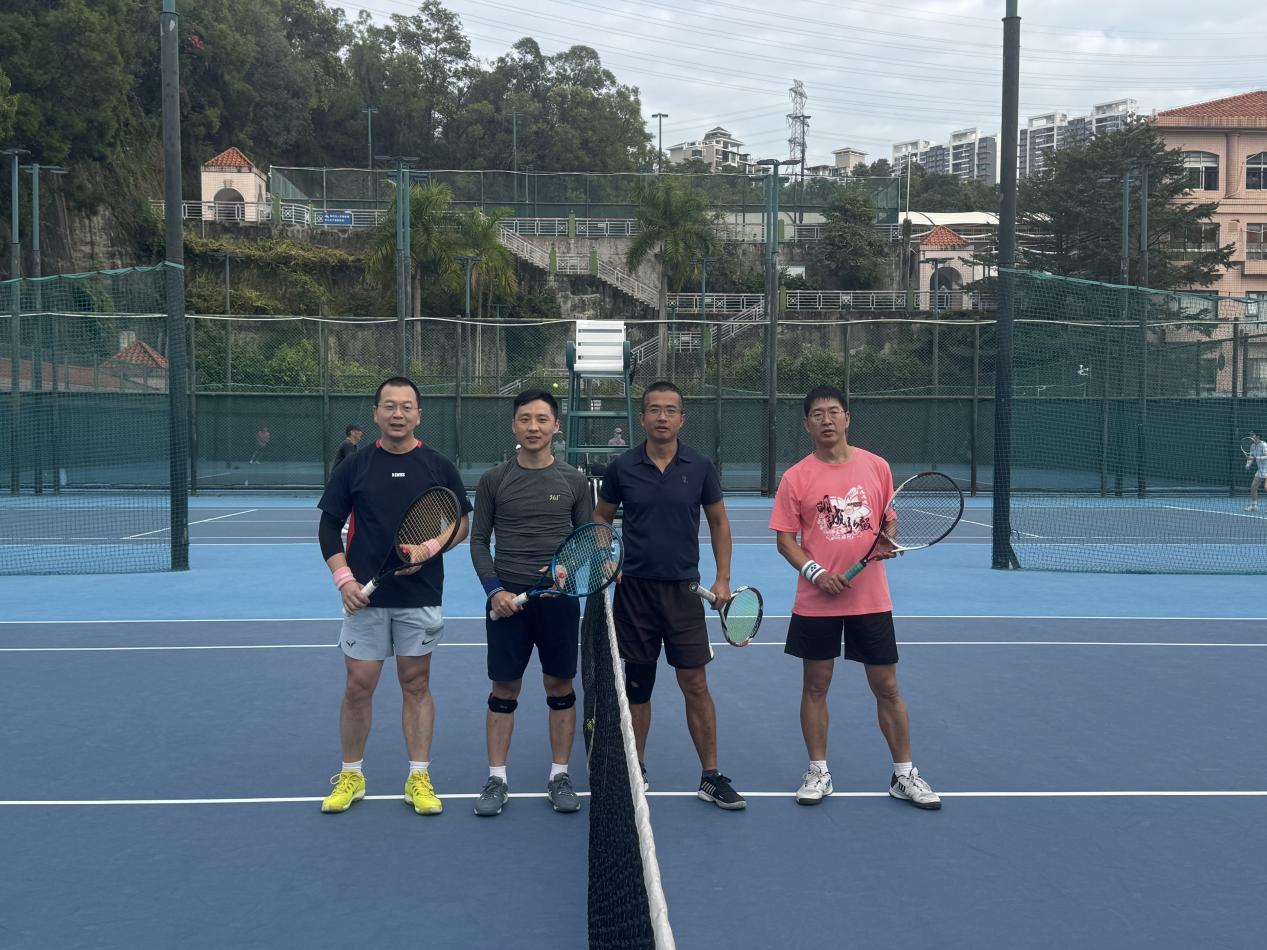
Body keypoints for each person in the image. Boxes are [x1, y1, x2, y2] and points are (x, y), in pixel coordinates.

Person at [770, 385, 940, 810]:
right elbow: (785, 540)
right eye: (817, 414)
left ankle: (904, 775)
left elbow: (888, 522)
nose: (826, 420)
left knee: (887, 686)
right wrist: (816, 573)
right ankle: (818, 771)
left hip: (871, 600)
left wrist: (888, 540)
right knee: (816, 685)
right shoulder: (796, 477)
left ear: (847, 418)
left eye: (834, 412)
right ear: (807, 424)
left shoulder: (877, 467)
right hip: (816, 602)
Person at [316, 377, 471, 816]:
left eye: (406, 406)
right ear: (376, 413)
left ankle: (418, 776)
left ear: (419, 414)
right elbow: (328, 527)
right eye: (389, 406)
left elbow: (461, 523)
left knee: (416, 684)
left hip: (420, 595)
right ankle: (351, 775)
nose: (397, 413)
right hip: (366, 600)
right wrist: (345, 581)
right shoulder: (355, 466)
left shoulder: (438, 466)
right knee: (357, 686)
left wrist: (431, 547)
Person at [594, 380, 745, 810]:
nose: (662, 417)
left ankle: (711, 777)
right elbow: (601, 518)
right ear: (642, 418)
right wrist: (606, 557)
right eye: (655, 410)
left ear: (682, 419)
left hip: (684, 594)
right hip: (634, 594)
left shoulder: (700, 467)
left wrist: (723, 579)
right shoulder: (622, 467)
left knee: (695, 684)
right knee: (638, 686)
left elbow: (719, 522)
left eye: (671, 410)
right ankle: (635, 770)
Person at [469, 389, 593, 816]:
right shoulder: (493, 480)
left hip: (558, 603)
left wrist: (567, 566)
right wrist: (495, 591)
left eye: (542, 419)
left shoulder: (575, 481)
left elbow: (587, 540)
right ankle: (496, 779)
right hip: (507, 604)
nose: (533, 427)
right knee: (504, 689)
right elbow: (479, 541)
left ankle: (559, 775)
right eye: (525, 419)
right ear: (514, 425)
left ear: (556, 426)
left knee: (560, 687)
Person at [1246, 432, 1267, 512]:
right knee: (1253, 487)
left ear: (1258, 436)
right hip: (1261, 470)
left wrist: (1256, 458)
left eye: (1252, 435)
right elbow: (1251, 457)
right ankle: (1253, 507)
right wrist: (1248, 464)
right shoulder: (1252, 446)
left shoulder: (1264, 445)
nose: (1250, 436)